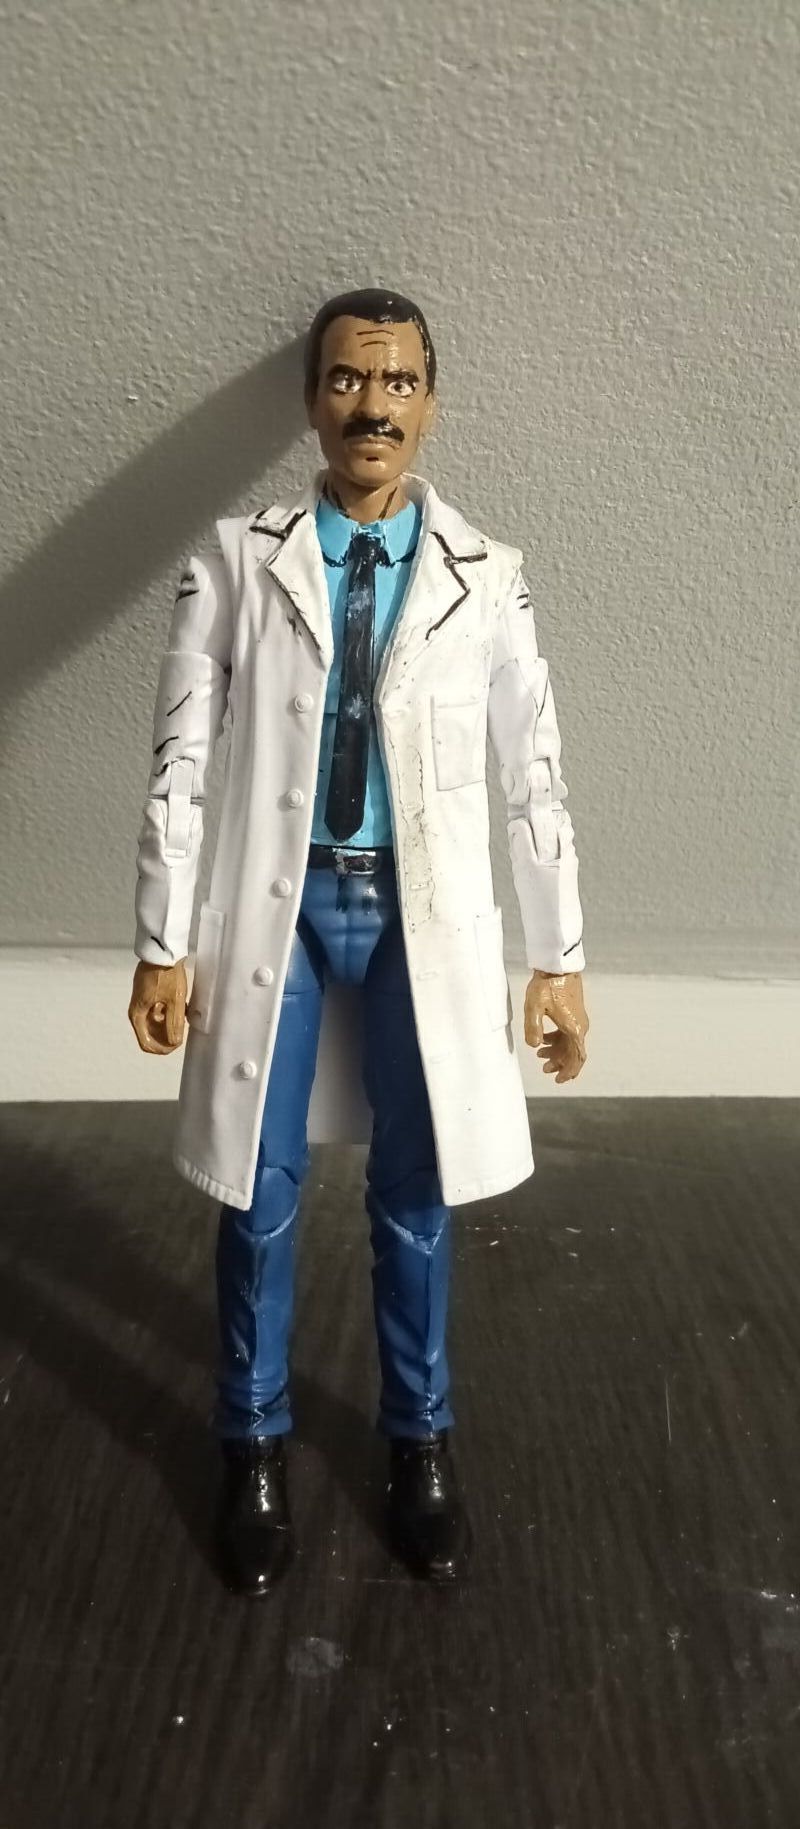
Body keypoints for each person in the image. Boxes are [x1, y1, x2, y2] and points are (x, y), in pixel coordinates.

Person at [129, 287, 589, 1595]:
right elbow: (182, 758)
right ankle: (252, 1440)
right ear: (311, 401)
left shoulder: (486, 578)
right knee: (257, 1188)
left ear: (429, 403)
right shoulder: (237, 562)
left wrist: (558, 954)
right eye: (346, 380)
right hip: (278, 908)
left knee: (416, 1189)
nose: (371, 406)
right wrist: (162, 935)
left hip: (414, 918)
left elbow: (533, 774)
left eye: (395, 383)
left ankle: (418, 1438)